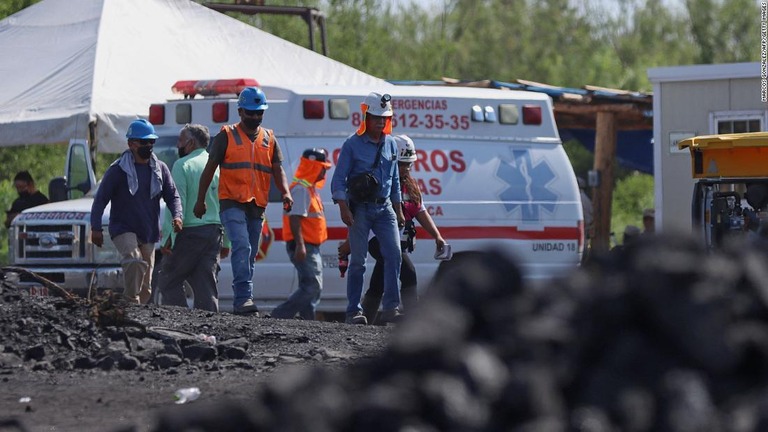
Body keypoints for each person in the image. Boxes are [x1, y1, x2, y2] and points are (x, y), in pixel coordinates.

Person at [194, 87, 293, 316]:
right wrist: (201, 201)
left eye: (259, 112)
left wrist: (285, 193)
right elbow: (209, 170)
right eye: (251, 112)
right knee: (242, 245)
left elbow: (278, 170)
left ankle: (243, 299)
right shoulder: (226, 136)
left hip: (256, 204)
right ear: (240, 112)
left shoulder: (269, 138)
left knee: (250, 252)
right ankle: (244, 299)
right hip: (231, 201)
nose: (255, 117)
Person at [331, 92, 405, 325]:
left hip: (385, 210)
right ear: (366, 117)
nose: (381, 122)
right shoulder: (352, 144)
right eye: (376, 118)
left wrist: (399, 209)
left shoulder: (392, 144)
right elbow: (338, 181)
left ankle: (391, 307)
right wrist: (344, 208)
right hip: (360, 209)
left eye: (384, 118)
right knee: (359, 261)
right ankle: (354, 311)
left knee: (394, 255)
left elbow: (394, 181)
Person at [91, 119, 183, 304]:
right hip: (123, 228)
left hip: (148, 230)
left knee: (147, 283)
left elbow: (173, 196)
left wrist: (177, 215)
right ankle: (130, 301)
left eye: (151, 142)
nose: (149, 146)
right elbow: (100, 199)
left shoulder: (160, 169)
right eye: (144, 142)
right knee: (133, 259)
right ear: (131, 144)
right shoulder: (118, 170)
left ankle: (139, 313)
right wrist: (96, 228)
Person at [358, 135, 446, 325]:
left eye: (408, 164)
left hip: (399, 239)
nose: (405, 168)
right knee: (408, 271)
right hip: (378, 238)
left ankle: (363, 320)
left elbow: (420, 212)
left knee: (379, 280)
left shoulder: (411, 186)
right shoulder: (379, 182)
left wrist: (436, 236)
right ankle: (414, 321)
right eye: (401, 164)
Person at [156, 124, 229, 312]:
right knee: (205, 283)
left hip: (189, 232)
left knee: (168, 279)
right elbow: (226, 205)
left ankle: (180, 321)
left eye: (180, 140)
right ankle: (208, 328)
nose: (177, 144)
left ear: (191, 142)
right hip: (214, 233)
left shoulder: (182, 165)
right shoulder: (218, 167)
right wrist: (227, 241)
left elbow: (176, 203)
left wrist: (168, 238)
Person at [271, 148, 332, 320]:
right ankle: (280, 315)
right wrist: (300, 245)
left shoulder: (308, 189)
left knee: (309, 285)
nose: (324, 172)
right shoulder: (301, 190)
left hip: (310, 245)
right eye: (322, 168)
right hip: (304, 245)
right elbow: (295, 218)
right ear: (313, 167)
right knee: (312, 286)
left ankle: (308, 321)